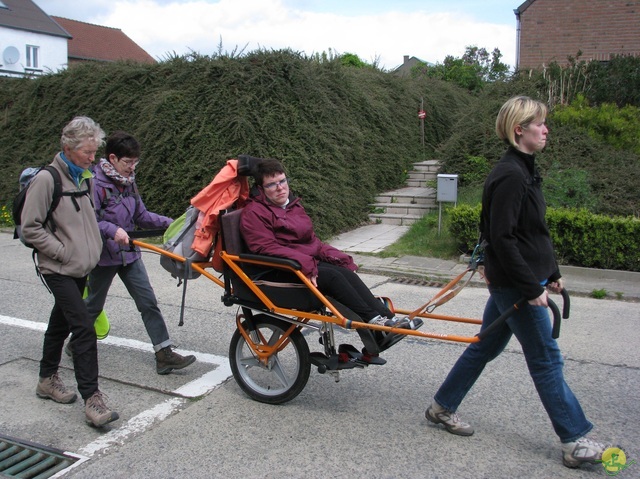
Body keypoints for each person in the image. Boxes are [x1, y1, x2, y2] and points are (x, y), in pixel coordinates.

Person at [425, 96, 612, 468]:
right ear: (518, 130)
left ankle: (441, 407)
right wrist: (531, 289)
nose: (546, 129)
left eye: (544, 123)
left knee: (485, 347)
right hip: (516, 284)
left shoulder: (524, 170)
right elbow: (502, 237)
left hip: (522, 278)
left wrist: (552, 273)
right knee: (545, 359)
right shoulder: (510, 174)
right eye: (539, 123)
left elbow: (534, 232)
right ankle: (574, 441)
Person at [239, 158, 421, 362]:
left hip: (299, 264)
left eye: (282, 181)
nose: (280, 188)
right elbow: (265, 248)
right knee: (333, 277)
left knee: (342, 271)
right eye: (272, 185)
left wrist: (335, 255)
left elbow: (311, 242)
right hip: (277, 271)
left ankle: (387, 321)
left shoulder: (291, 206)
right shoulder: (254, 213)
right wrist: (307, 264)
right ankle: (375, 324)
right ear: (261, 189)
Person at [21, 116, 119, 428]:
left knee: (59, 323)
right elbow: (29, 227)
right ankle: (93, 400)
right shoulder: (47, 180)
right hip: (57, 268)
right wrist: (63, 252)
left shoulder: (85, 177)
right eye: (87, 153)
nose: (93, 158)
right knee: (84, 328)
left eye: (94, 152)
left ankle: (47, 379)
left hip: (80, 268)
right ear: (68, 148)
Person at [83, 131, 196, 375]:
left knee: (148, 303)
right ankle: (76, 343)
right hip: (104, 257)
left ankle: (164, 354)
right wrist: (114, 230)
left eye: (135, 162)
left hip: (130, 255)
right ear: (112, 158)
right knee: (93, 305)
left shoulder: (129, 182)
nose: (132, 167)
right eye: (128, 162)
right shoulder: (95, 183)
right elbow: (89, 219)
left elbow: (141, 216)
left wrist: (173, 223)